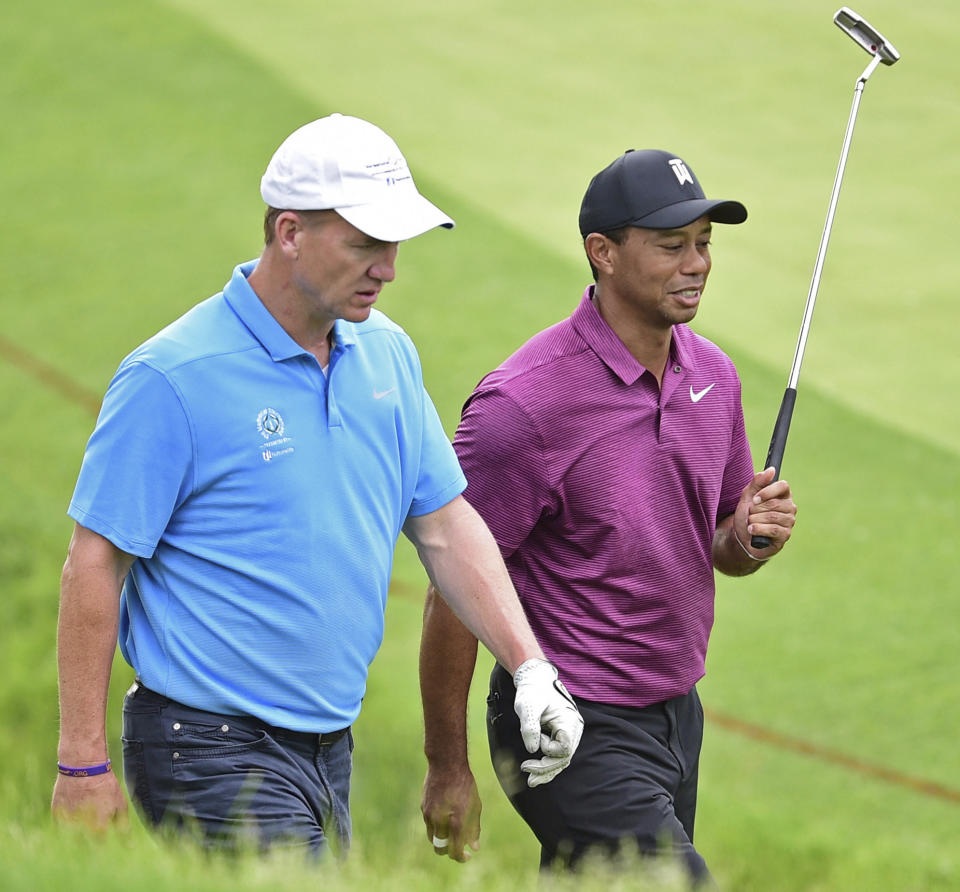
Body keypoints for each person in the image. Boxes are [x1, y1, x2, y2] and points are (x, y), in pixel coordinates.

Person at [50, 113, 583, 857]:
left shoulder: (388, 356)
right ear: (290, 232)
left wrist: (529, 667)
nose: (389, 267)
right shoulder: (172, 376)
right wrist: (82, 761)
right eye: (366, 243)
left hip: (328, 748)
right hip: (205, 746)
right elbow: (95, 561)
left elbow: (444, 525)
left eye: (394, 244)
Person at [420, 148, 798, 883]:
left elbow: (721, 540)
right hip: (563, 721)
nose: (696, 265)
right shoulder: (522, 406)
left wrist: (753, 537)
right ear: (603, 254)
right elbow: (454, 585)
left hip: (675, 711)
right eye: (670, 246)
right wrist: (447, 767)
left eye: (704, 244)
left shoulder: (713, 376)